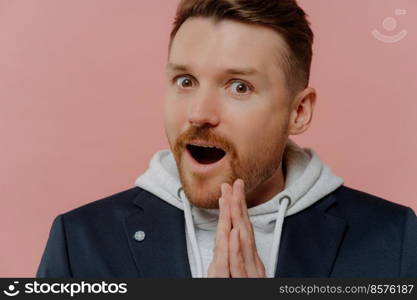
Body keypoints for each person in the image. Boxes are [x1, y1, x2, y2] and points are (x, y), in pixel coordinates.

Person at [37, 0, 417, 278]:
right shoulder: (81, 242)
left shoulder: (395, 240)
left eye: (239, 86)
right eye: (185, 81)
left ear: (298, 112)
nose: (200, 113)